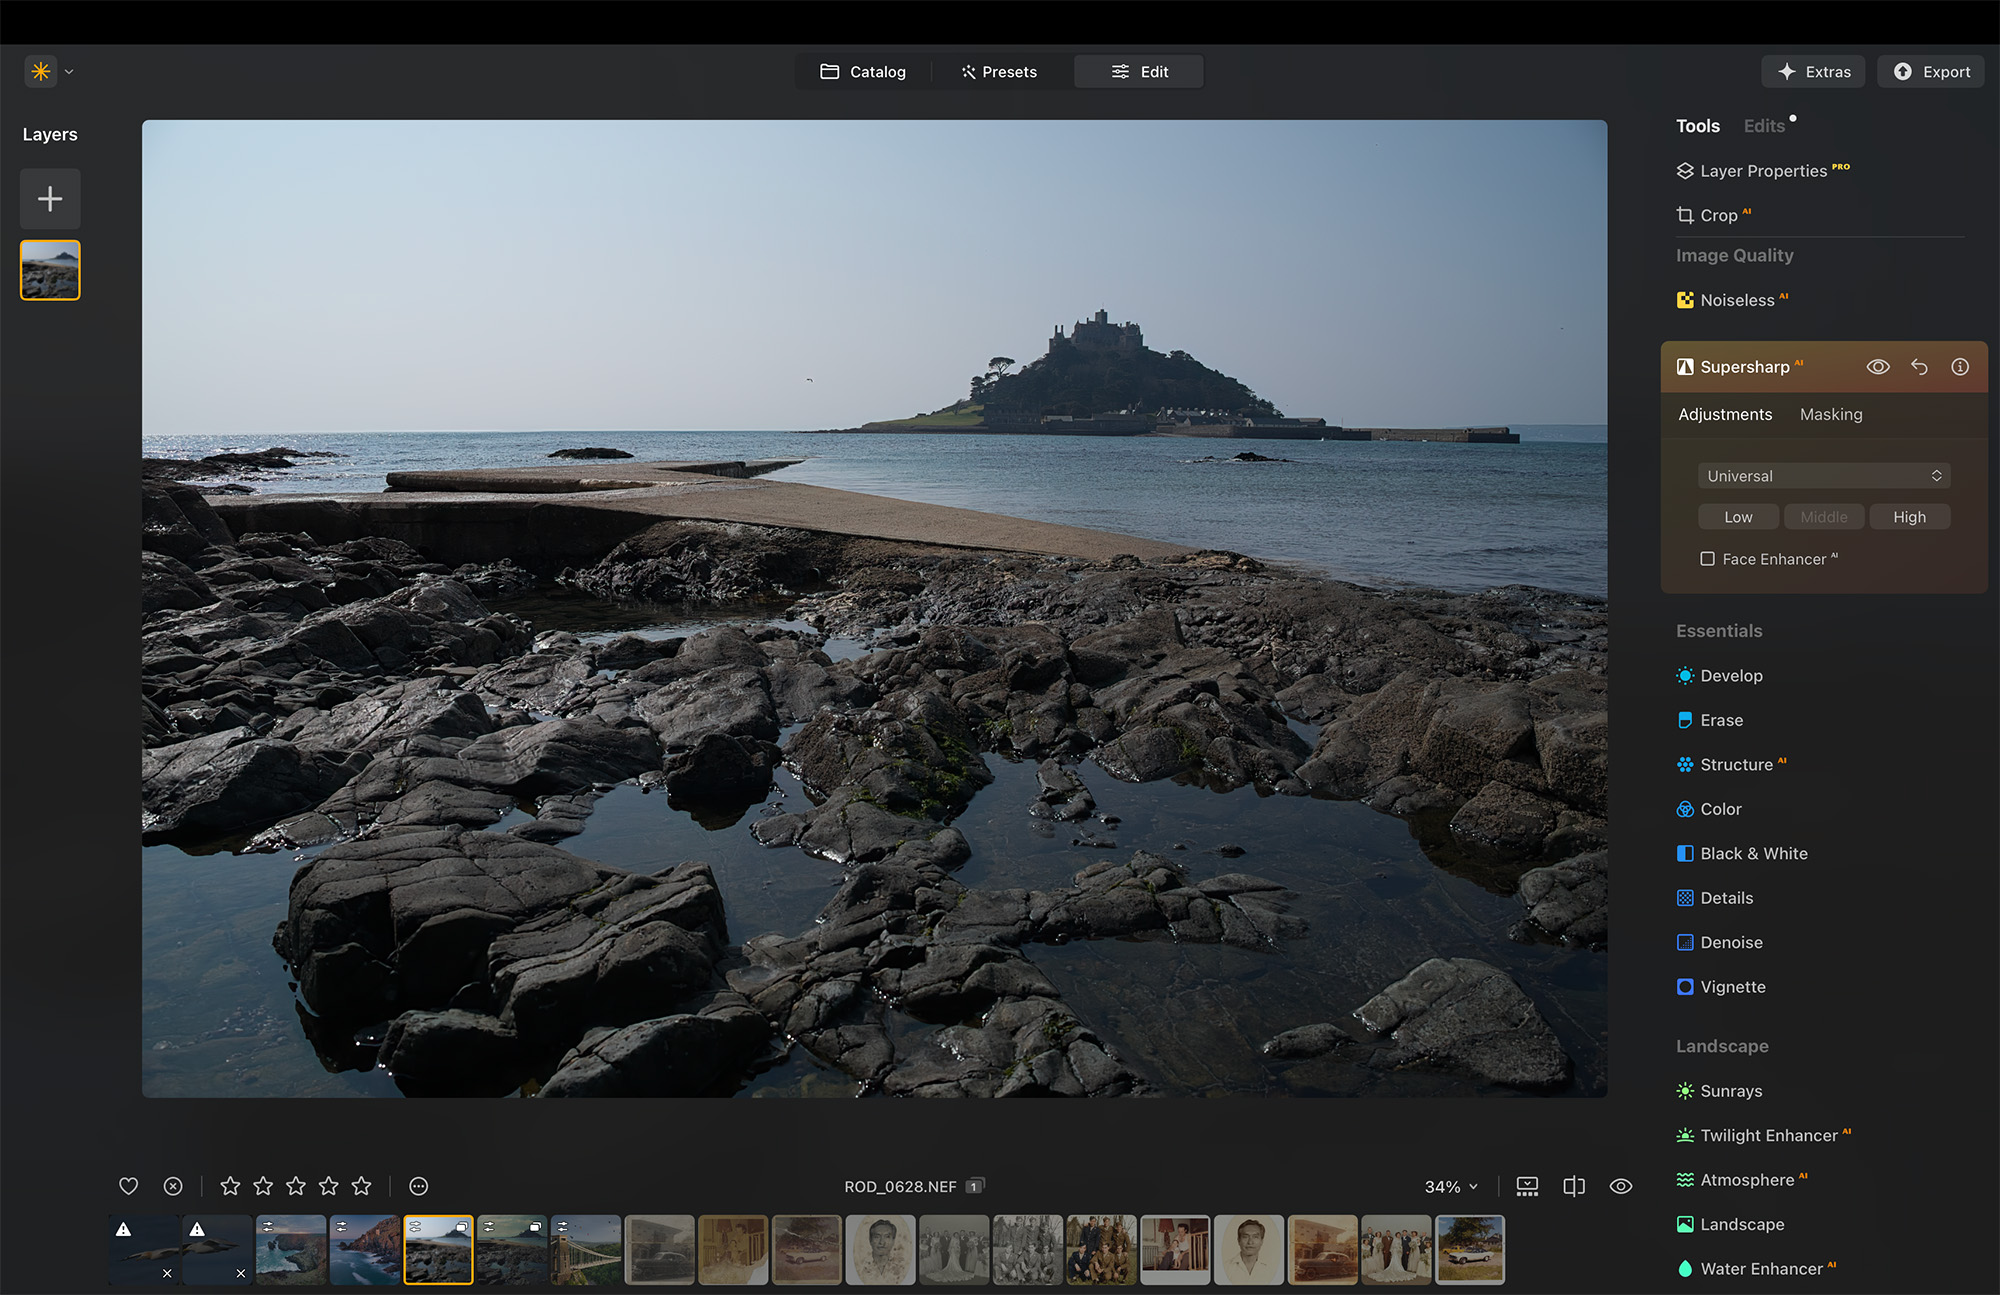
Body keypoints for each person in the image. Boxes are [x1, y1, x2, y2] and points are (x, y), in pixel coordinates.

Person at [1220, 1218, 1277, 1285]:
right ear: (1238, 1240)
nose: (1250, 1242)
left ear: (1262, 1241)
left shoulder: (1271, 1270)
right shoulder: (1225, 1268)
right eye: (1245, 1237)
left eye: (1255, 1237)